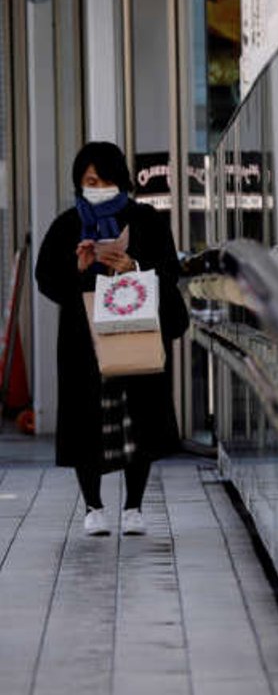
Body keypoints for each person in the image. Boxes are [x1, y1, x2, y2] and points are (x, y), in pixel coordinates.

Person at [35, 141, 190, 537]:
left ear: (119, 180)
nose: (96, 186)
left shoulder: (145, 220)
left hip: (134, 330)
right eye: (89, 180)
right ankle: (93, 506)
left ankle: (134, 506)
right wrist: (79, 267)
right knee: (87, 419)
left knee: (138, 417)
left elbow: (169, 270)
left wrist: (133, 265)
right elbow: (46, 279)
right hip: (82, 339)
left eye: (103, 179)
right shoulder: (68, 224)